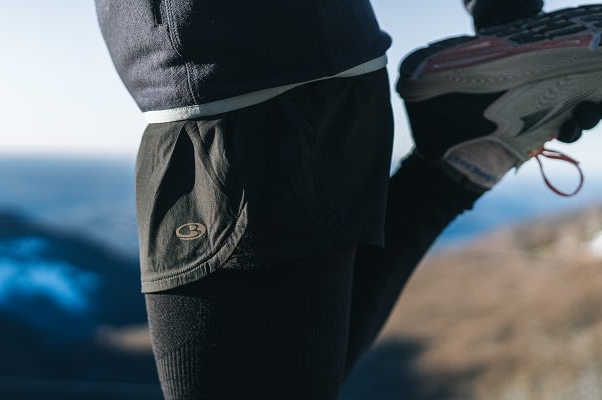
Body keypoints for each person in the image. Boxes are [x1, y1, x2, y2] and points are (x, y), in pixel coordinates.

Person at [95, 0, 602, 398]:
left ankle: (459, 164)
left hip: (230, 83)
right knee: (282, 378)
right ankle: (468, 153)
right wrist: (508, 20)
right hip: (336, 68)